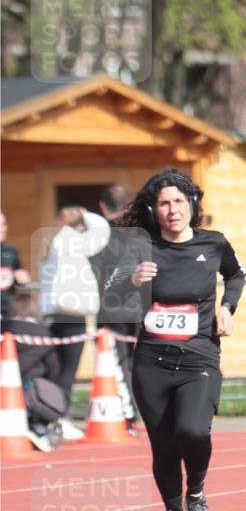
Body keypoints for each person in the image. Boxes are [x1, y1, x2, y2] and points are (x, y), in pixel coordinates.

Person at [106, 167, 246, 511]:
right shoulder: (140, 247)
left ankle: (196, 492)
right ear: (154, 209)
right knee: (164, 447)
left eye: (179, 202)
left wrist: (227, 307)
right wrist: (130, 279)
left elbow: (236, 276)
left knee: (193, 431)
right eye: (164, 203)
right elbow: (108, 293)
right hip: (151, 361)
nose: (172, 210)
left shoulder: (214, 243)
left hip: (198, 355)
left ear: (192, 204)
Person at [40, 206, 110, 439]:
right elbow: (102, 231)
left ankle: (49, 416)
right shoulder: (73, 241)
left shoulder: (52, 243)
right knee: (67, 372)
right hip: (73, 315)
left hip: (53, 314)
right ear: (79, 225)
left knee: (56, 369)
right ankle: (58, 419)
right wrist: (87, 214)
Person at [88, 183, 143, 435]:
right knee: (142, 363)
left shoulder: (98, 237)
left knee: (119, 364)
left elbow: (90, 272)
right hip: (142, 306)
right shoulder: (142, 232)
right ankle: (143, 414)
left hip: (112, 308)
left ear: (102, 206)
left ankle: (129, 417)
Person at [1, 291, 65, 451]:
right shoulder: (43, 335)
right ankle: (37, 425)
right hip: (30, 393)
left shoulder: (3, 331)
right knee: (40, 388)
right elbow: (53, 369)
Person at [0, 210, 31, 316]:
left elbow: (18, 278)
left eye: (4, 224)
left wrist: (21, 278)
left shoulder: (11, 250)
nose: (3, 229)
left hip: (8, 310)